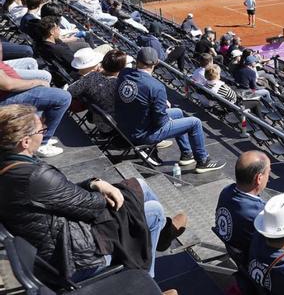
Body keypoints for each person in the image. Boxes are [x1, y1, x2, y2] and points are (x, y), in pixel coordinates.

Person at [0, 104, 187, 282]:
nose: (45, 133)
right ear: (25, 142)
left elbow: (61, 194)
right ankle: (147, 284)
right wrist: (109, 191)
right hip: (73, 259)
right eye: (41, 131)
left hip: (51, 246)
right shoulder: (36, 176)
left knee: (137, 185)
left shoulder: (10, 167)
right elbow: (93, 207)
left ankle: (163, 234)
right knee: (153, 211)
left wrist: (94, 183)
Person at [115, 47, 225, 173]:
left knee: (178, 112)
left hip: (126, 125)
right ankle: (203, 161)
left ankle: (187, 154)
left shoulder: (124, 73)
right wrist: (163, 109)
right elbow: (161, 122)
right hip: (143, 134)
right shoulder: (156, 86)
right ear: (156, 63)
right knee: (195, 122)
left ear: (137, 60)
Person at [214, 151, 284, 273]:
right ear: (259, 178)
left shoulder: (226, 191)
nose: (268, 177)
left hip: (236, 247)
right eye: (268, 172)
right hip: (253, 258)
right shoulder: (258, 214)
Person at [68, 50, 128, 133]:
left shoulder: (92, 76)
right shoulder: (120, 86)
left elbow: (70, 90)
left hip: (96, 117)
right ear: (122, 68)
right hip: (112, 125)